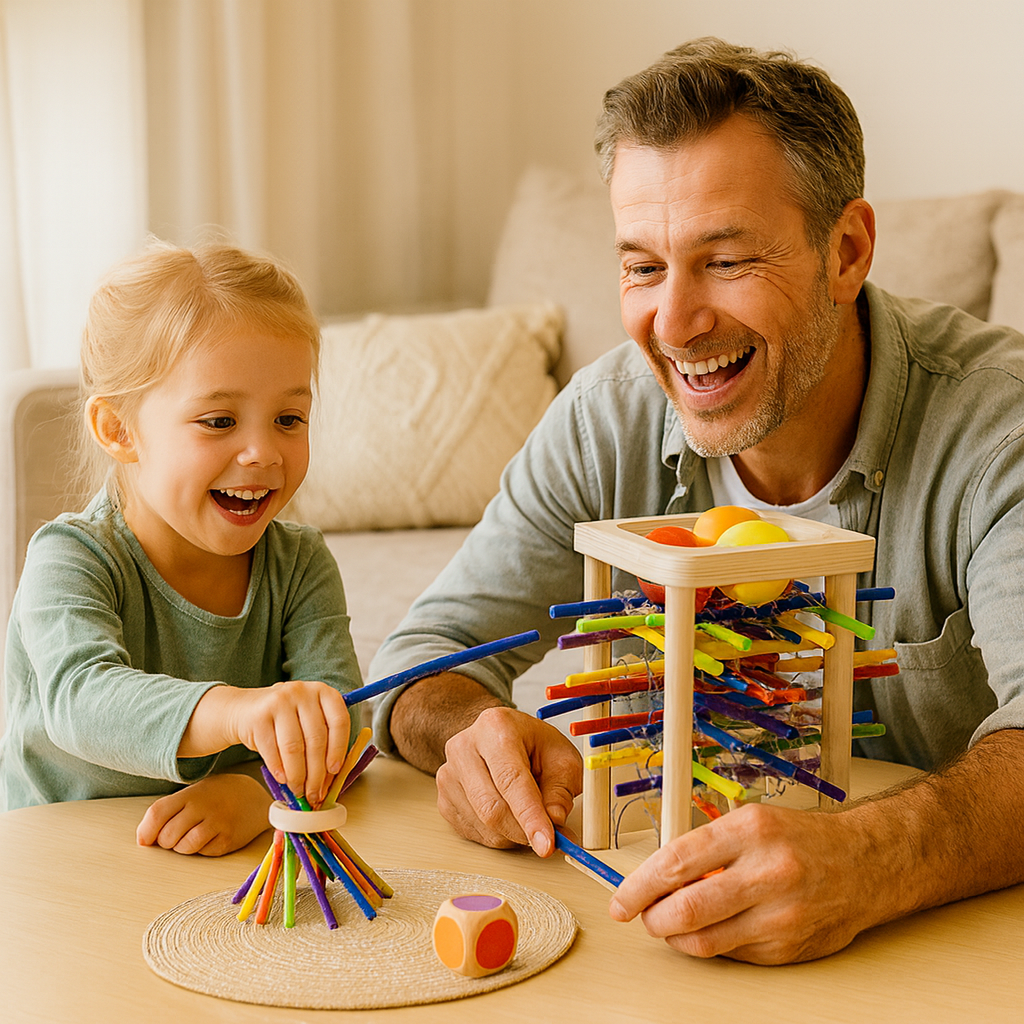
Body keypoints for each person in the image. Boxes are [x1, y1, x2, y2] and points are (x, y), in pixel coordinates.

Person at [367, 38, 1024, 964]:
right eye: (642, 267)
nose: (673, 325)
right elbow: (418, 666)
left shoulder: (1000, 434)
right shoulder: (607, 417)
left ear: (846, 251)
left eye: (725, 261)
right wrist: (464, 735)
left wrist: (876, 857)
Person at [0, 240, 361, 857]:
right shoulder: (69, 557)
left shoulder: (300, 564)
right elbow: (80, 698)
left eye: (289, 419)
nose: (263, 453)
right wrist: (237, 713)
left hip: (222, 877)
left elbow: (343, 729)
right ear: (119, 430)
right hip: (64, 868)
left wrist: (257, 792)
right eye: (219, 421)